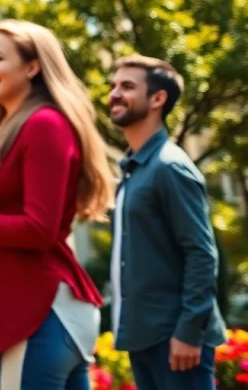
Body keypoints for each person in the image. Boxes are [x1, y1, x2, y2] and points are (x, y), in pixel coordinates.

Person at [0, 19, 114, 390]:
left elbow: (39, 229)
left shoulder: (44, 125)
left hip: (37, 313)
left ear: (32, 66)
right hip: (24, 313)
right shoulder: (12, 128)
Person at [107, 54, 226, 390]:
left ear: (158, 98)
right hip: (144, 337)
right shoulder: (133, 169)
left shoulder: (170, 167)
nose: (114, 93)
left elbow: (202, 253)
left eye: (127, 86)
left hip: (176, 342)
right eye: (114, 85)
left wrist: (189, 332)